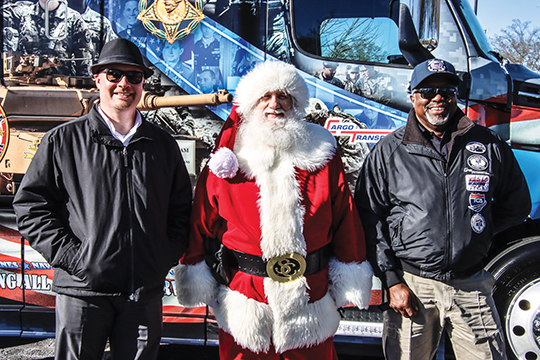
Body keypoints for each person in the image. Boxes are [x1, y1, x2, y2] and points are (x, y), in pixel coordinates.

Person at [175, 61, 373, 359]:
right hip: (245, 302)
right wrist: (193, 270)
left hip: (311, 302)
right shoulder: (228, 161)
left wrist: (351, 269)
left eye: (283, 97)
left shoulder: (323, 155)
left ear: (296, 104)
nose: (275, 104)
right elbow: (201, 222)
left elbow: (345, 216)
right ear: (252, 105)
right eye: (265, 97)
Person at [13, 38, 192, 360]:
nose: (124, 84)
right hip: (83, 291)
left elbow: (180, 210)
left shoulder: (162, 146)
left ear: (142, 83)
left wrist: (162, 255)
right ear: (98, 79)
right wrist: (76, 259)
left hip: (143, 292)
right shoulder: (63, 141)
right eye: (114, 74)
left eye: (134, 77)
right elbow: (31, 207)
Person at [354, 58, 531, 360]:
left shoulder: (487, 144)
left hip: (471, 285)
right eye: (428, 91)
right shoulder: (389, 151)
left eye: (447, 91)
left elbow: (516, 203)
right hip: (413, 286)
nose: (438, 98)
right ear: (413, 96)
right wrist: (392, 281)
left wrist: (475, 233)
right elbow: (370, 219)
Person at [2, 0, 91, 75]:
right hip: (24, 85)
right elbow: (10, 54)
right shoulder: (22, 16)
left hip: (61, 88)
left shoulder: (73, 19)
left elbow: (84, 64)